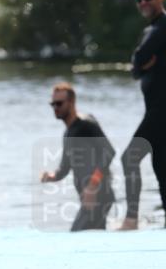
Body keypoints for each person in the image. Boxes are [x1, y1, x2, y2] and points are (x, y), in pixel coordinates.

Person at [119, 0, 166, 229]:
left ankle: (131, 219)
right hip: (159, 108)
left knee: (130, 158)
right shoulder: (153, 29)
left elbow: (138, 58)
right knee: (161, 162)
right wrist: (141, 65)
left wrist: (141, 64)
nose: (144, 3)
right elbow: (136, 67)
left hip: (164, 107)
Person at [41, 83, 115, 231]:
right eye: (53, 104)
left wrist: (92, 185)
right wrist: (51, 176)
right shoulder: (68, 134)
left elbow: (108, 152)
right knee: (93, 242)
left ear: (72, 103)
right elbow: (64, 168)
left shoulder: (86, 124)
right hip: (88, 199)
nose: (55, 107)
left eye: (59, 103)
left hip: (99, 195)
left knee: (76, 234)